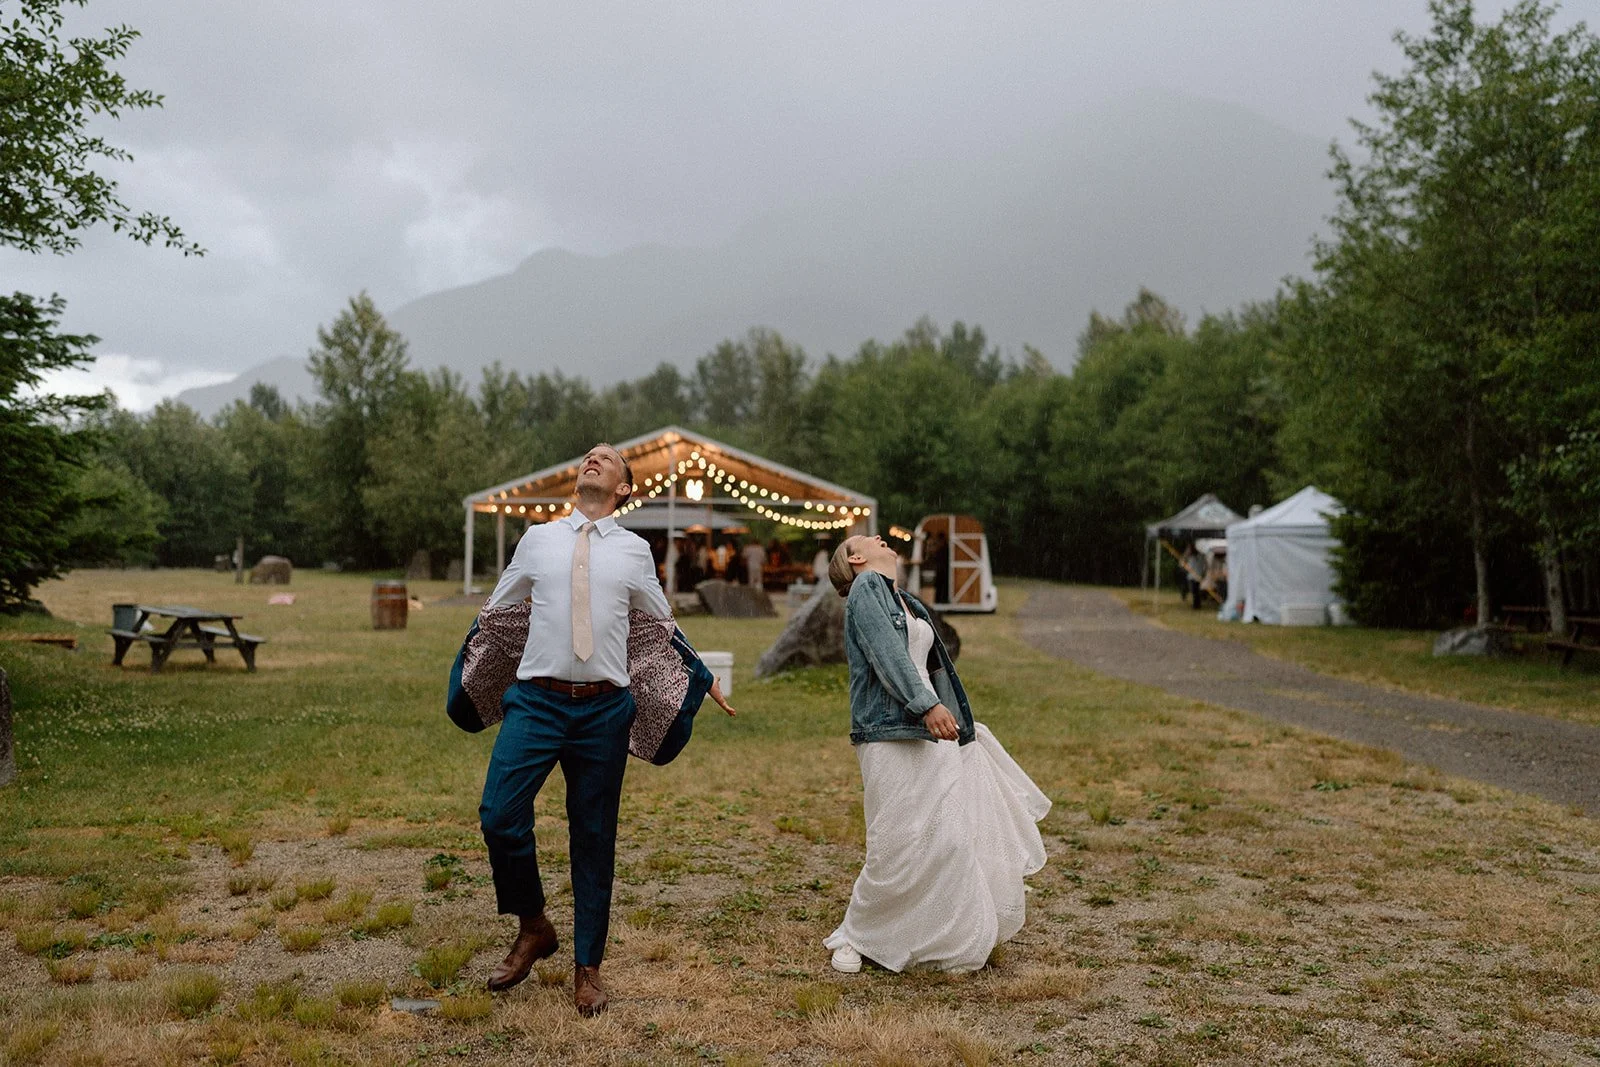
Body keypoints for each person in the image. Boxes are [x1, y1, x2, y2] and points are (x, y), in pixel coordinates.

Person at [478, 443, 734, 1015]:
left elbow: (661, 627)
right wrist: (476, 673)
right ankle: (534, 925)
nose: (593, 457)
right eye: (588, 456)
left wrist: (702, 675)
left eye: (608, 458)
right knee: (498, 815)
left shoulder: (635, 551)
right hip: (536, 703)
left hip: (604, 711)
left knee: (593, 837)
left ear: (623, 488)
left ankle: (587, 967)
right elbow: (496, 614)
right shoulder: (537, 539)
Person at [822, 534, 1049, 974]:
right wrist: (925, 705)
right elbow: (888, 654)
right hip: (891, 730)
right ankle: (859, 934)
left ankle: (935, 936)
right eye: (869, 539)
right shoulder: (866, 589)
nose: (881, 538)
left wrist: (949, 716)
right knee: (895, 841)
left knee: (946, 836)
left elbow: (933, 668)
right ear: (857, 558)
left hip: (931, 730)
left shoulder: (906, 601)